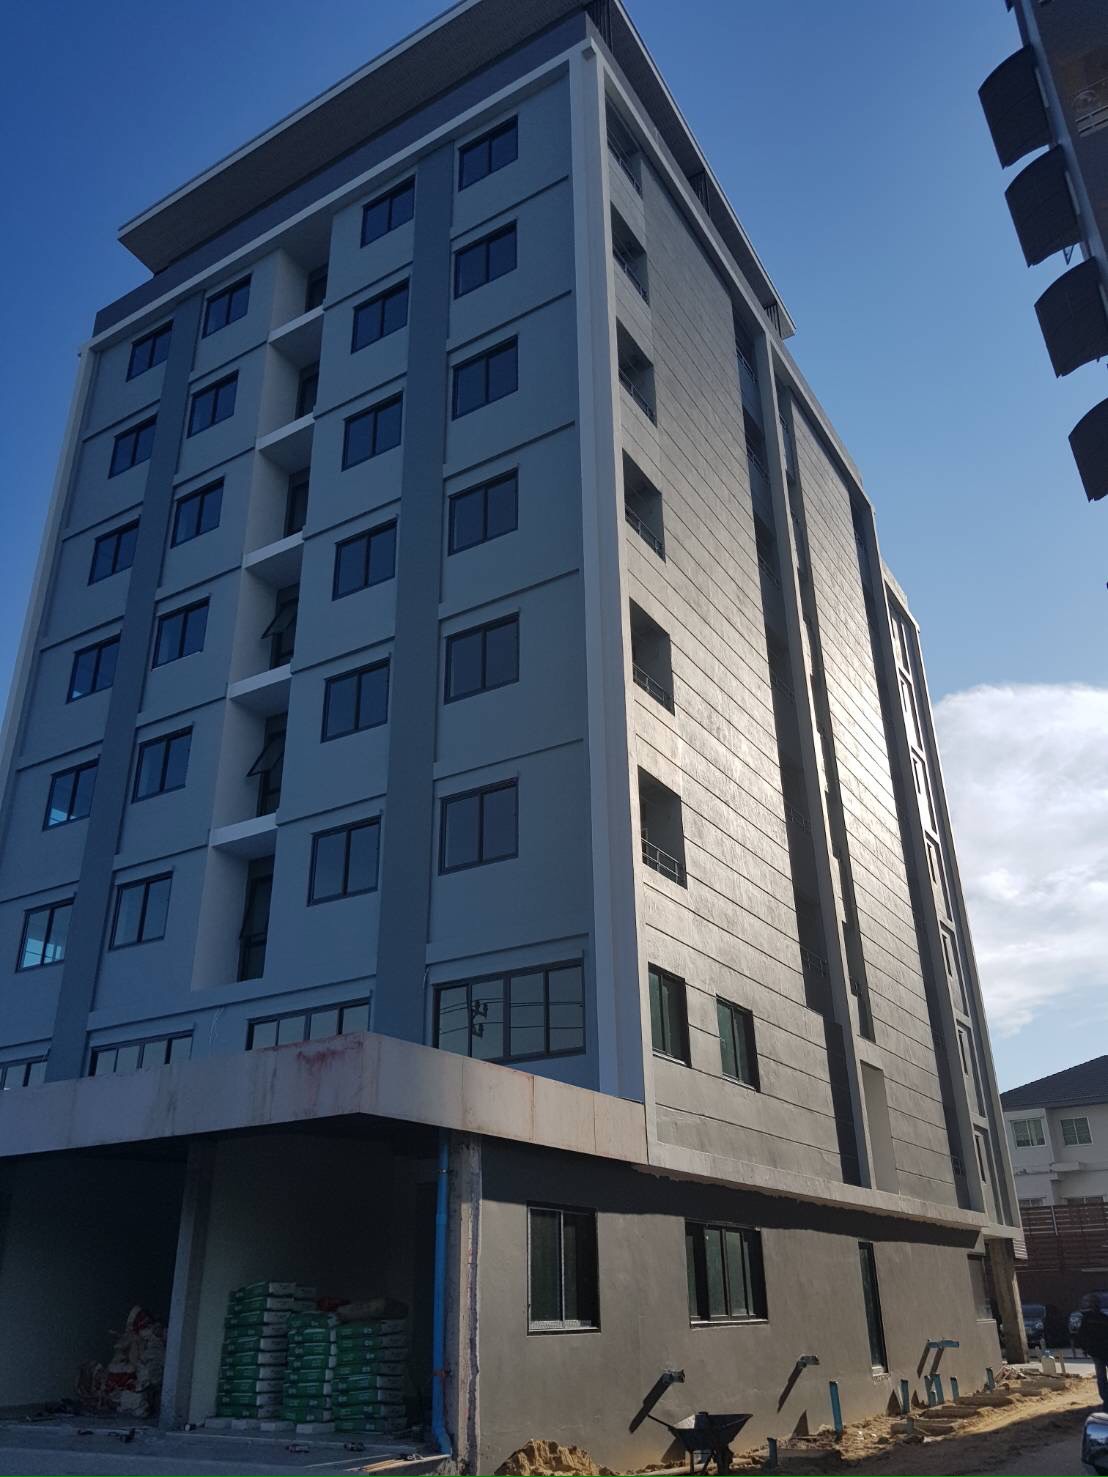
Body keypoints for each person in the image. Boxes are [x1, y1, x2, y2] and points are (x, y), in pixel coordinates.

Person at [1079, 1292, 1108, 1408]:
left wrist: (1085, 1348)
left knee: (1101, 1376)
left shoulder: (1088, 1319)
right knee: (1101, 1376)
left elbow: (1082, 1335)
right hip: (1100, 1351)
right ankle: (1106, 1399)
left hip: (1097, 1351)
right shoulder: (1102, 1319)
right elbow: (1082, 1335)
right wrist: (1085, 1348)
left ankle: (1106, 1399)